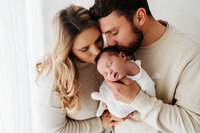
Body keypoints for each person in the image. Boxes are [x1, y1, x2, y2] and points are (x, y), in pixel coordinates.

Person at [90, 0, 200, 133]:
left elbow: (193, 126)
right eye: (105, 35)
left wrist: (137, 99)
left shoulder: (190, 54)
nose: (110, 42)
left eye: (114, 33)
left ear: (140, 17)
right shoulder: (111, 52)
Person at [35, 4, 126, 133]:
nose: (96, 51)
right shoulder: (53, 76)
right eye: (84, 49)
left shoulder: (110, 52)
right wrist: (100, 123)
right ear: (68, 49)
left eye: (98, 39)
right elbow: (54, 130)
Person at [91, 46, 156, 118]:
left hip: (128, 103)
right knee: (105, 87)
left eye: (110, 65)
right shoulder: (119, 72)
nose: (109, 72)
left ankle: (106, 100)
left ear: (122, 56)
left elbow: (151, 95)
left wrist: (144, 105)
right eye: (105, 73)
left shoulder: (142, 78)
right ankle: (103, 101)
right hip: (113, 91)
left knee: (119, 113)